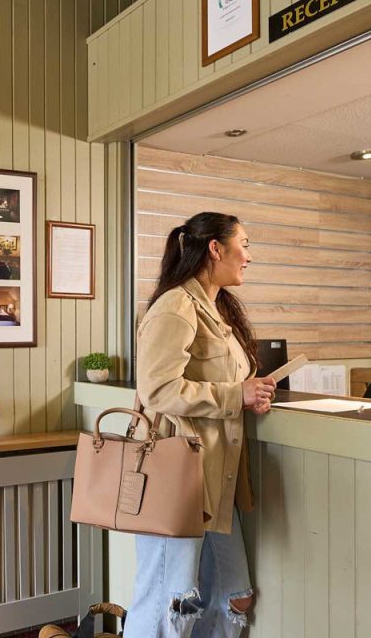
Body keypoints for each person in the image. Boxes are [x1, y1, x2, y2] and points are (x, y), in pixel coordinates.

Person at [125, 211, 276, 638]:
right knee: (167, 599)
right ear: (215, 248)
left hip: (216, 477)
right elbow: (158, 390)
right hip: (179, 477)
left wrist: (249, 393)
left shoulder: (213, 307)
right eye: (244, 244)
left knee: (234, 594)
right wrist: (234, 395)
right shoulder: (175, 306)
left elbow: (215, 381)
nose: (248, 256)